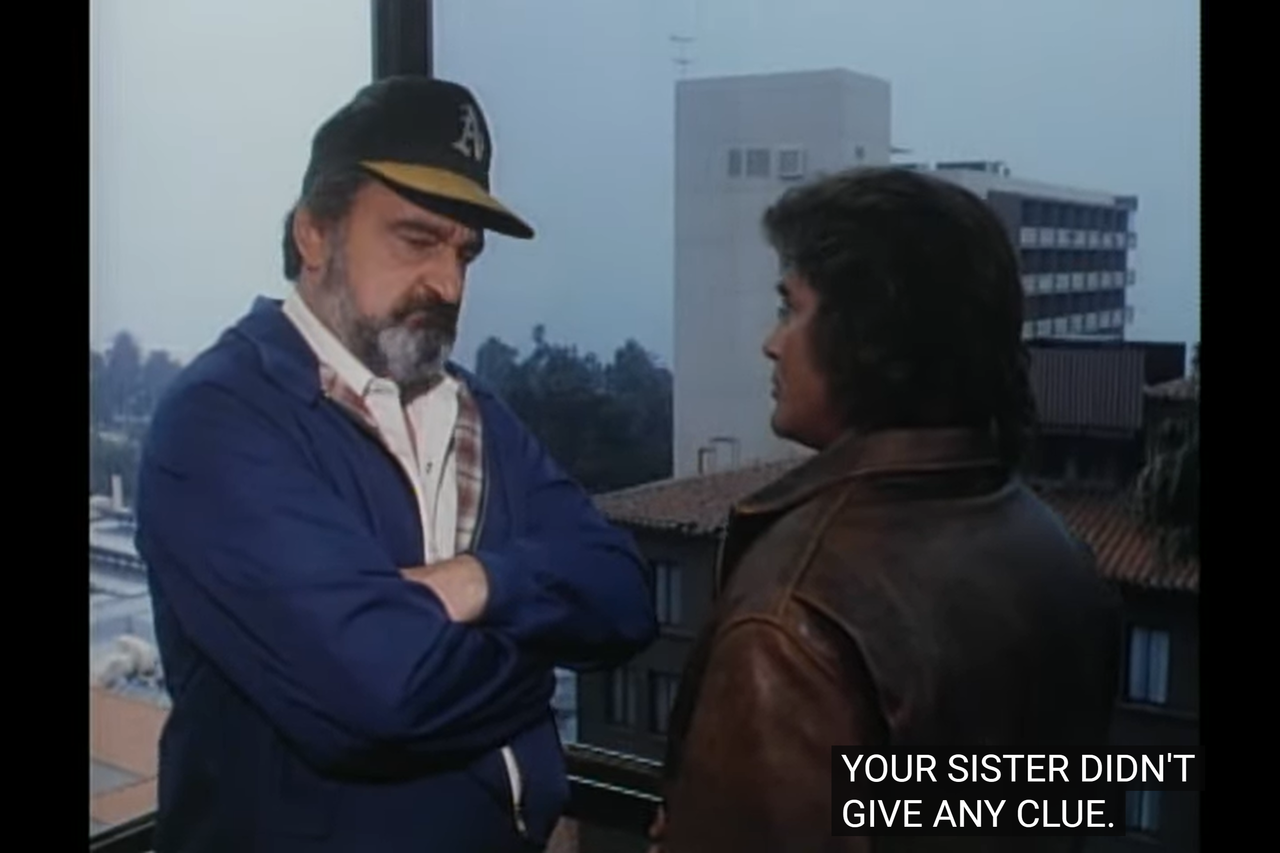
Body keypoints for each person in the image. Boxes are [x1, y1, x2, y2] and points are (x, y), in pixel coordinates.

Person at [134, 76, 657, 853]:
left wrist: (481, 581)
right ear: (315, 234)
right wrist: (539, 666)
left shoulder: (472, 412)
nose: (447, 283)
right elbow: (385, 697)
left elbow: (624, 590)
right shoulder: (222, 421)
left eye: (464, 253)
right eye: (417, 239)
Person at [648, 167, 1121, 852]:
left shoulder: (792, 623)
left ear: (868, 339)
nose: (771, 342)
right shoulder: (1052, 545)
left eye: (790, 307)